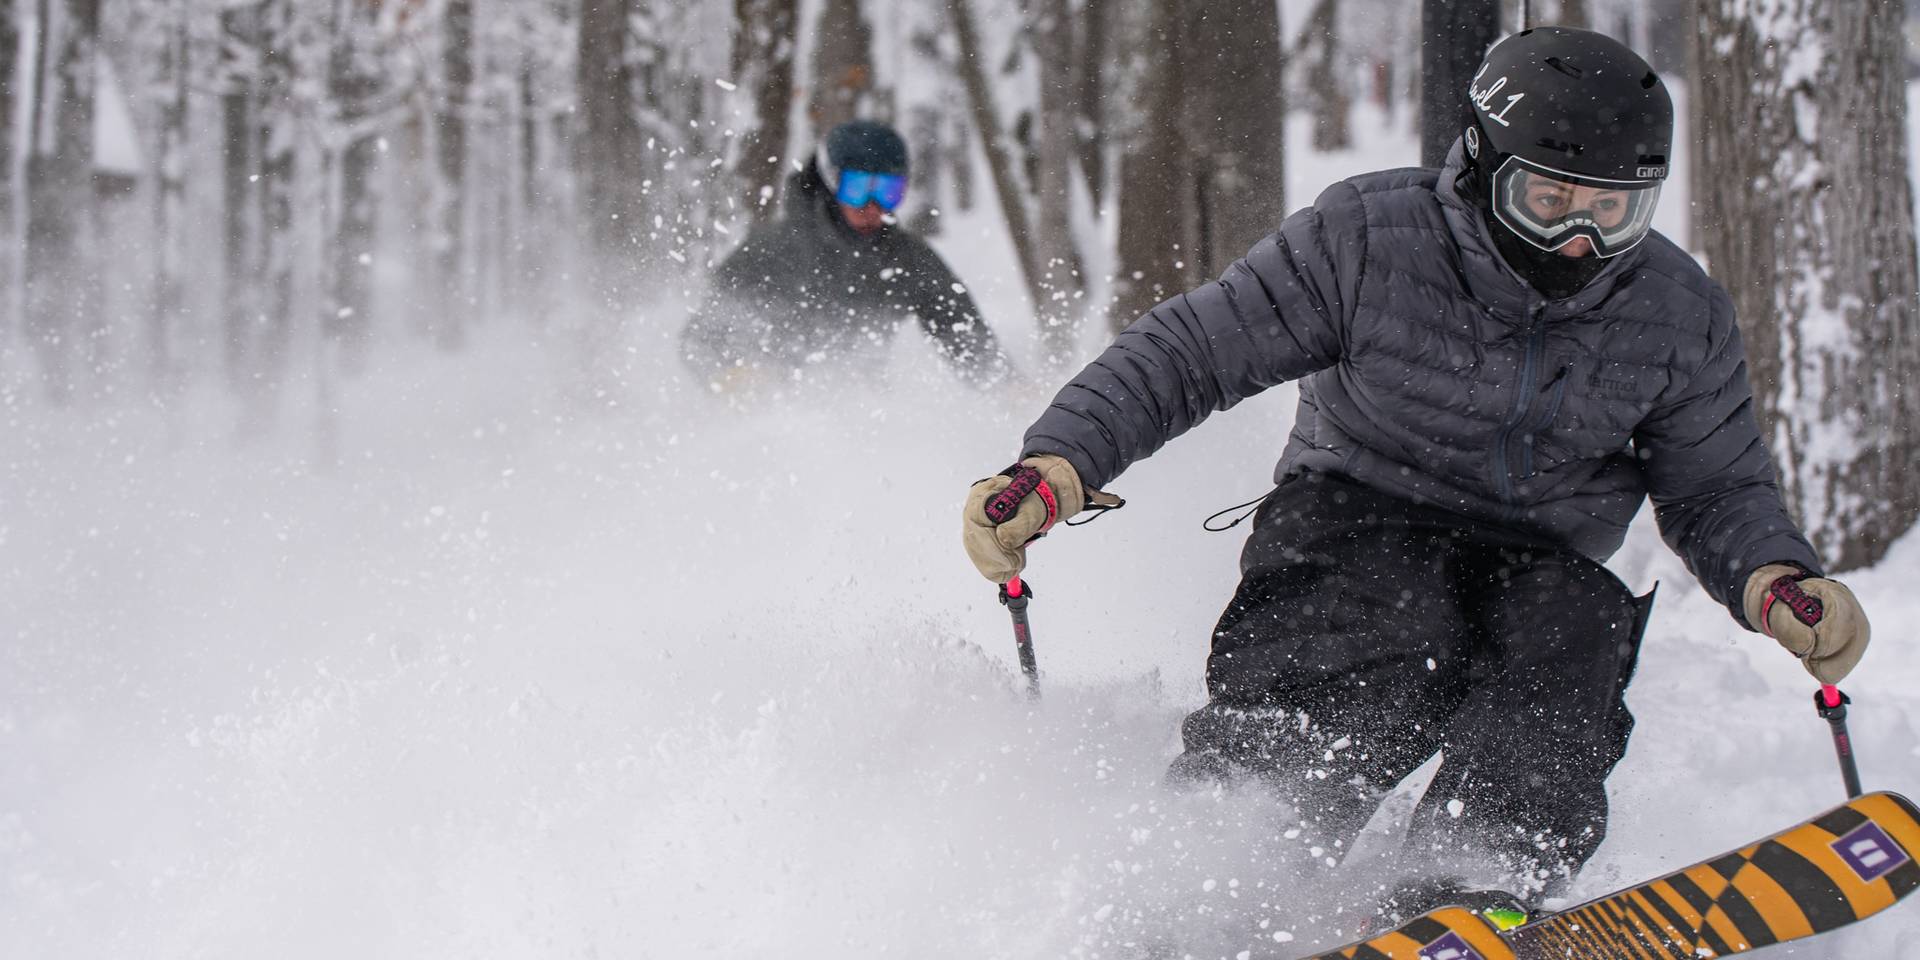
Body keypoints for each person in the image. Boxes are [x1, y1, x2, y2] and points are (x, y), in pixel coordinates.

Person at [959, 27, 1872, 910]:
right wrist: (1060, 463)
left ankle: (1472, 880)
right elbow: (1193, 351)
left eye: (1611, 212)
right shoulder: (1367, 239)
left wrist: (1774, 577)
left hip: (1539, 556)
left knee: (1575, 636)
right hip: (1358, 518)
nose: (1578, 242)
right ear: (1480, 164)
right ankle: (1227, 860)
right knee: (1377, 630)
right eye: (1548, 202)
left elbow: (1715, 488)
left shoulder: (1678, 314)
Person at [681, 120, 1011, 391]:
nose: (872, 206)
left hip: (860, 421)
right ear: (829, 181)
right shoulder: (772, 250)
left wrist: (1009, 390)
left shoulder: (906, 259)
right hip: (768, 415)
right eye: (858, 188)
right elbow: (701, 338)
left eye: (888, 191)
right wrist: (731, 374)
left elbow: (966, 337)